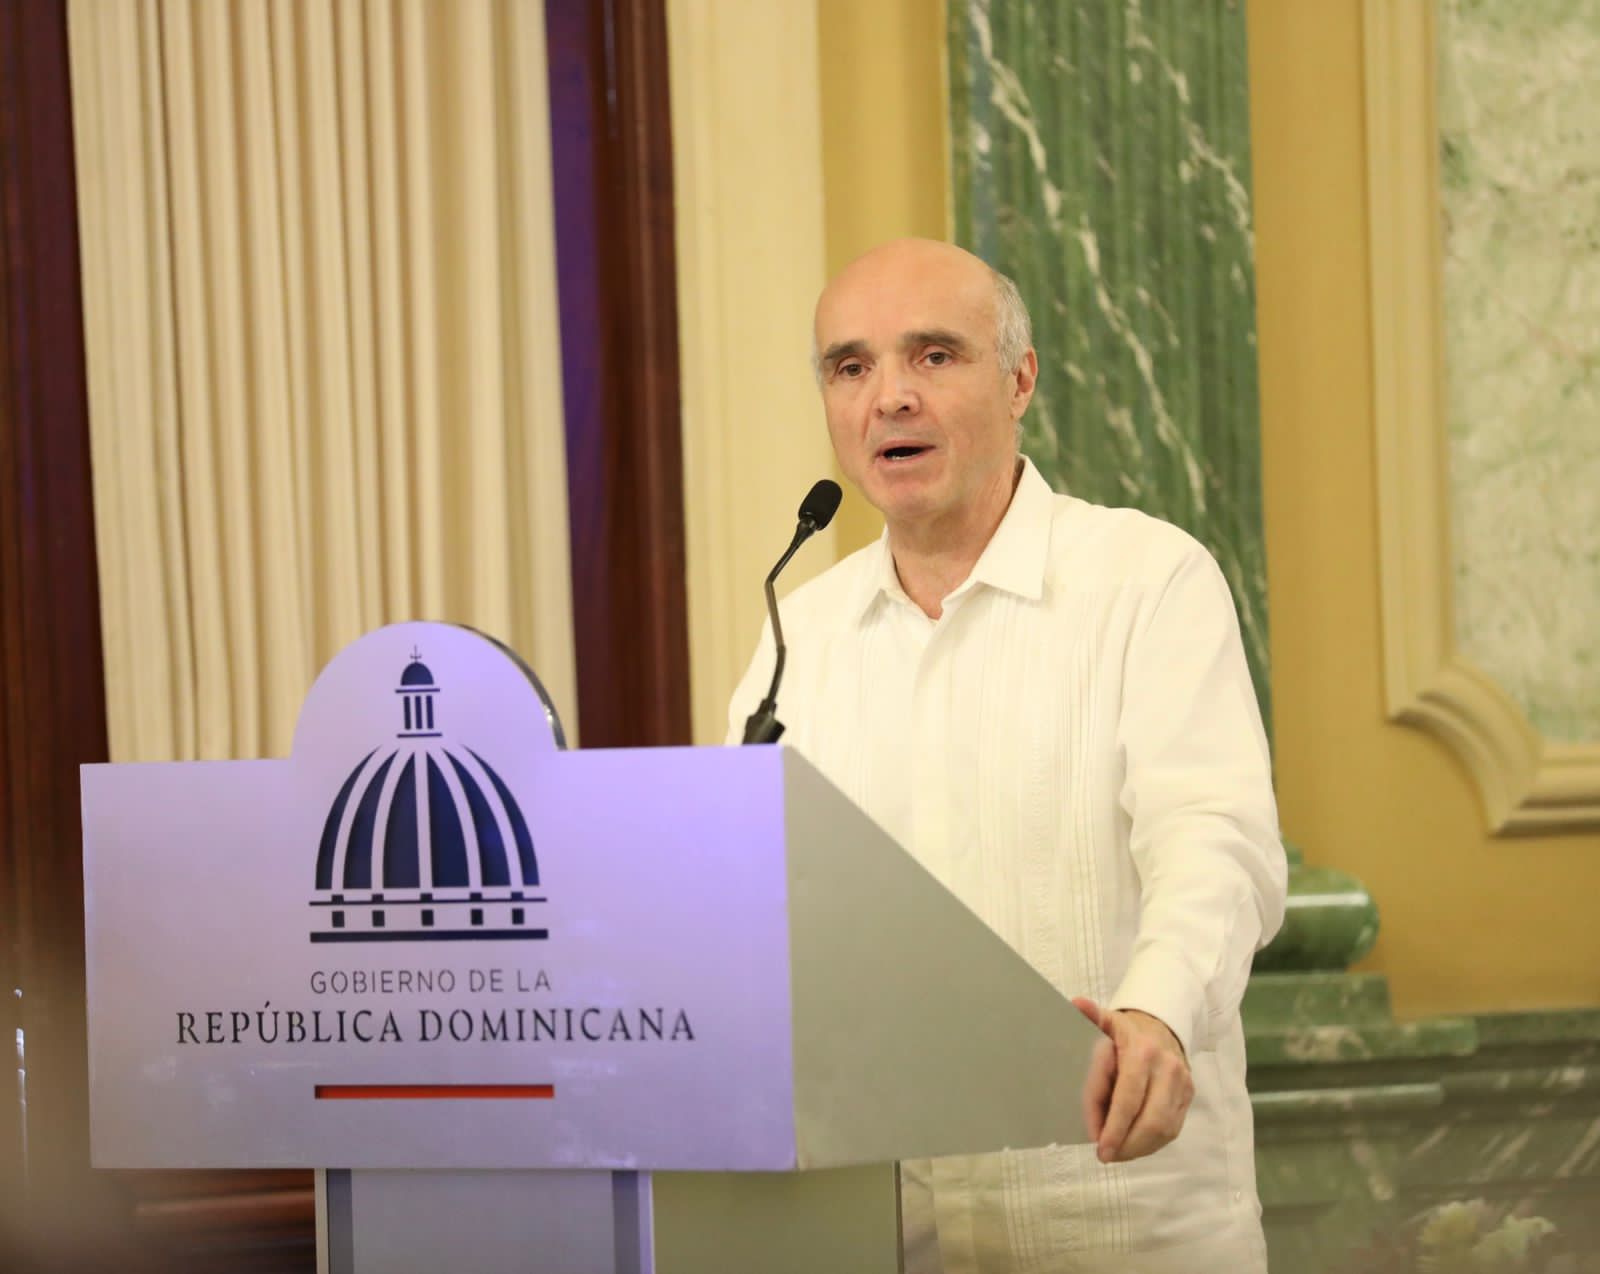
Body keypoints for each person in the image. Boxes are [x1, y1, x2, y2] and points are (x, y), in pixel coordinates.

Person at [725, 238, 1288, 1273]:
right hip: (877, 1230)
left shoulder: (1148, 580)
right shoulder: (795, 636)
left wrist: (1157, 1012)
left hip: (1118, 1222)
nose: (889, 396)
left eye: (933, 355)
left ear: (1021, 378)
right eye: (850, 367)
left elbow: (1214, 841)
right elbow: (744, 906)